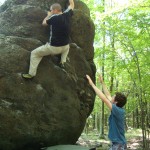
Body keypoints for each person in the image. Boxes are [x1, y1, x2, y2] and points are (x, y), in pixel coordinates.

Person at [22, 0, 74, 79]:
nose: (50, 11)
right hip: (65, 46)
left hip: (54, 48)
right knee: (67, 47)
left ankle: (31, 74)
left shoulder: (53, 17)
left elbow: (44, 23)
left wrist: (48, 15)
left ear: (55, 10)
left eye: (51, 10)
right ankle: (63, 62)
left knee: (34, 54)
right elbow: (72, 4)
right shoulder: (67, 14)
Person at [86, 74, 127, 150]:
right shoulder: (117, 108)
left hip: (118, 145)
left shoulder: (117, 110)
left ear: (116, 102)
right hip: (116, 143)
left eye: (113, 97)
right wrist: (102, 82)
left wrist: (92, 84)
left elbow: (104, 98)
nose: (111, 97)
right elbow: (107, 95)